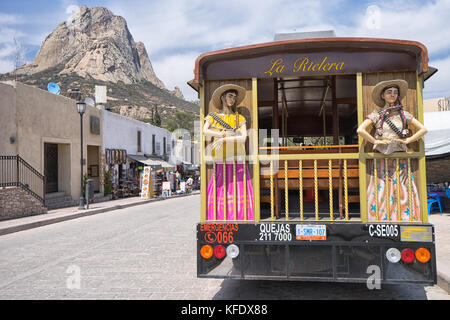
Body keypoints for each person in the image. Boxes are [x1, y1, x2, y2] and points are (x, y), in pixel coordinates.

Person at [357, 79, 427, 222]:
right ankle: (381, 216)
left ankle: (404, 216)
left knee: (402, 186)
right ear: (383, 95)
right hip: (382, 156)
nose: (392, 95)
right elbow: (360, 130)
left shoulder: (404, 114)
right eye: (389, 92)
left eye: (395, 93)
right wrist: (376, 141)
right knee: (382, 186)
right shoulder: (377, 114)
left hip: (400, 156)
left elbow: (423, 129)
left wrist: (408, 140)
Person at [203, 84, 254, 220]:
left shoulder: (240, 118)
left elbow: (243, 138)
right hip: (220, 159)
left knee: (238, 187)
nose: (232, 99)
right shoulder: (213, 116)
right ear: (222, 97)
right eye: (230, 96)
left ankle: (240, 216)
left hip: (237, 158)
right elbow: (205, 130)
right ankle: (219, 216)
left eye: (234, 97)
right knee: (221, 187)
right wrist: (221, 134)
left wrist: (224, 138)